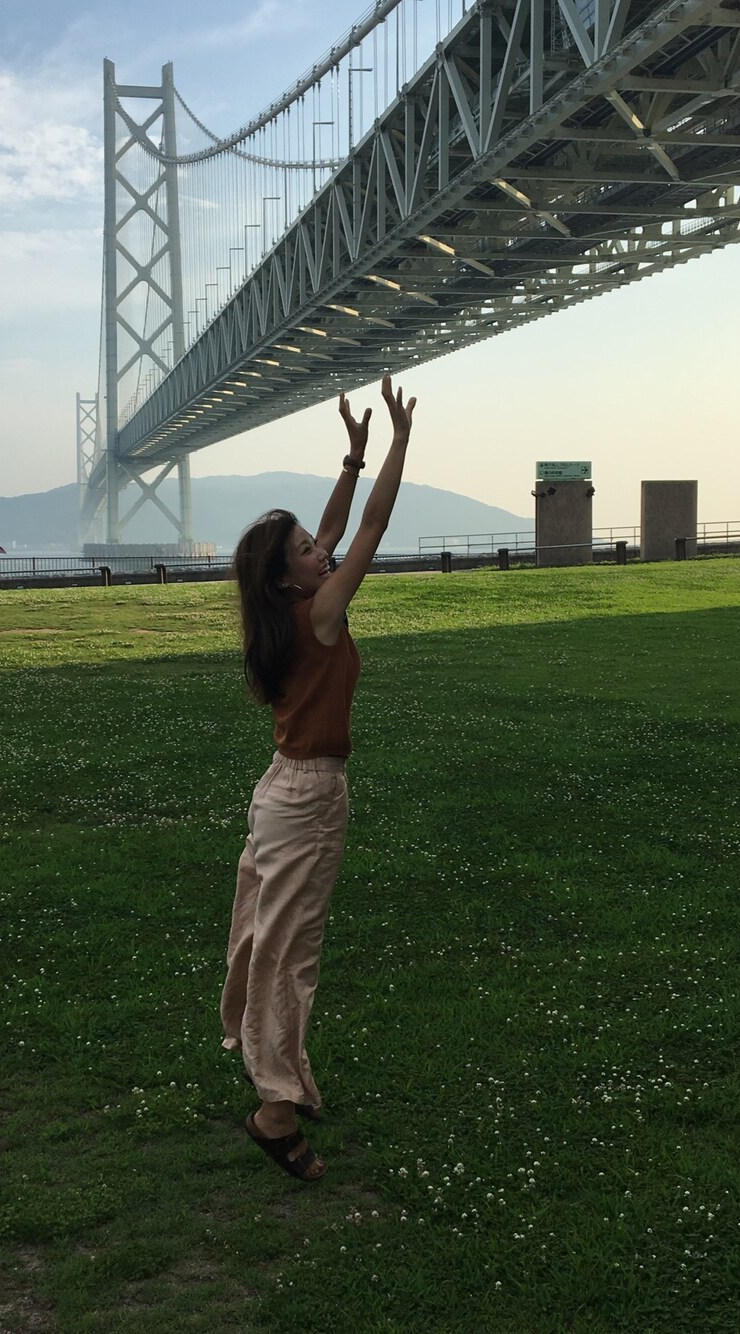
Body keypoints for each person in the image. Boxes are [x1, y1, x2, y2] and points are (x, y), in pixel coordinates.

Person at [220, 372, 416, 1182]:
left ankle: (278, 1070)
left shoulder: (285, 611)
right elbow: (369, 527)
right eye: (305, 550)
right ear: (289, 577)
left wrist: (352, 458)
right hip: (306, 798)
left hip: (282, 789)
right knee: (290, 954)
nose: (319, 549)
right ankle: (273, 1111)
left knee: (265, 937)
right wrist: (400, 444)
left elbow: (336, 527)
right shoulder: (323, 612)